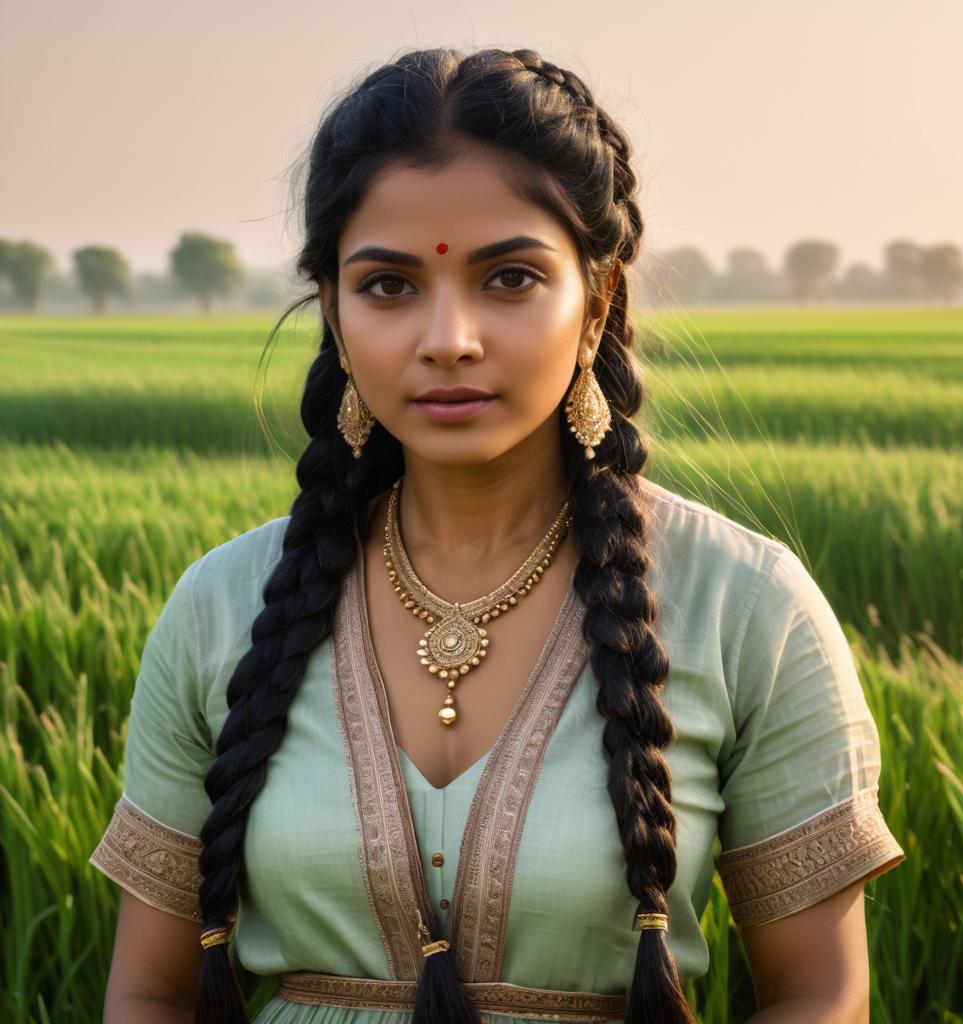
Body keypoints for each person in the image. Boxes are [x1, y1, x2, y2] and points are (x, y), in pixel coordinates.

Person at [88, 46, 905, 1024]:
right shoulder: (221, 607)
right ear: (336, 318)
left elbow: (819, 990)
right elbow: (147, 991)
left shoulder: (746, 606)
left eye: (509, 277)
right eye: (388, 286)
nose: (449, 338)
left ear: (596, 297)